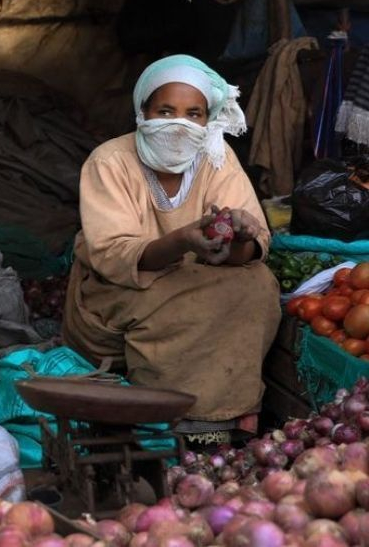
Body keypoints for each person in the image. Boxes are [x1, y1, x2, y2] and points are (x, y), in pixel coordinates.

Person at [62, 54, 281, 446]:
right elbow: (113, 254)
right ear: (142, 112)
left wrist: (242, 238)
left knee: (259, 284)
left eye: (193, 113)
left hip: (199, 277)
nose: (179, 123)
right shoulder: (110, 161)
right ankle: (168, 417)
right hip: (119, 287)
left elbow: (250, 244)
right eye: (166, 110)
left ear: (207, 120)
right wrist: (183, 240)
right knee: (182, 303)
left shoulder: (216, 157)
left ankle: (227, 412)